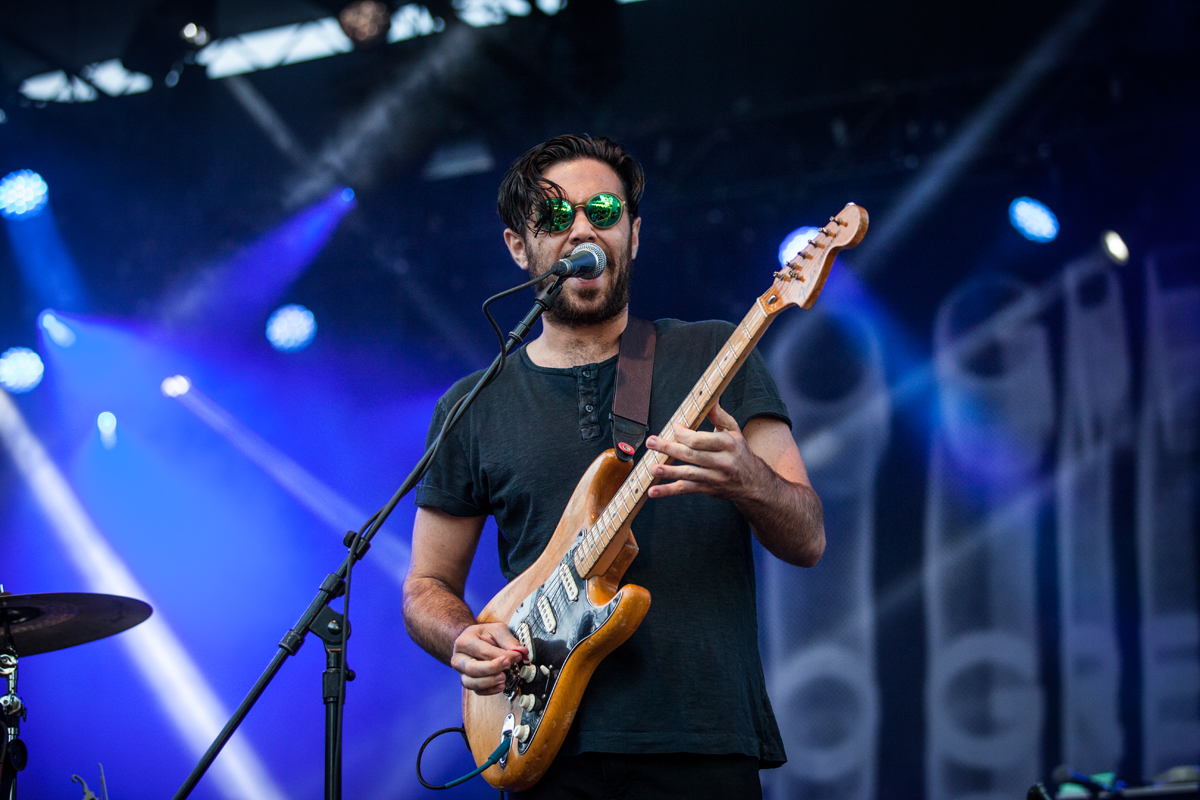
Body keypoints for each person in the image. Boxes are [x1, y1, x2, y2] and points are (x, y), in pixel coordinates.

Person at [402, 134, 825, 799]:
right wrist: (463, 638)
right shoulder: (472, 404)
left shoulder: (713, 352)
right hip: (544, 745)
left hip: (701, 741)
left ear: (633, 234)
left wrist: (750, 479)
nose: (582, 229)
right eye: (555, 216)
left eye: (603, 210)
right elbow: (426, 584)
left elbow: (809, 538)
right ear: (519, 246)